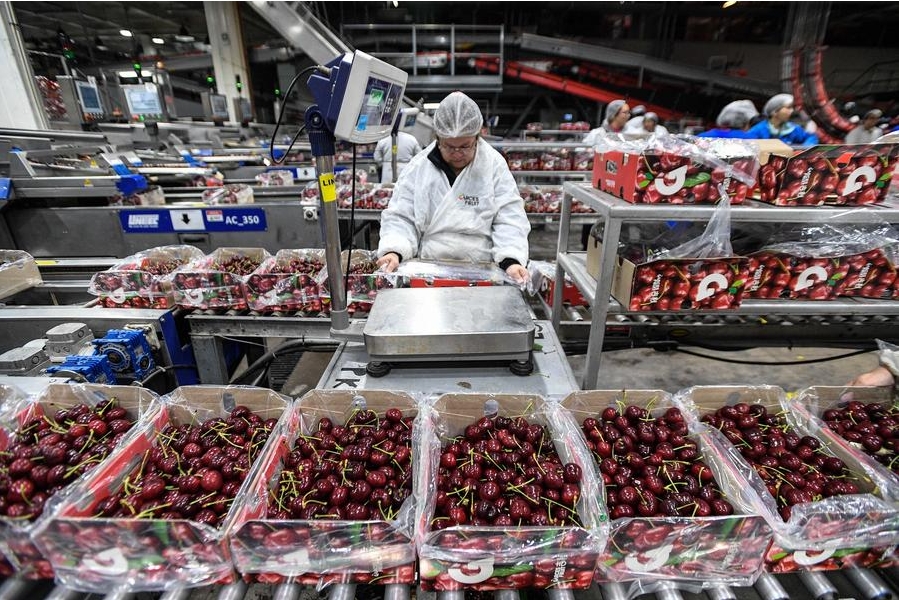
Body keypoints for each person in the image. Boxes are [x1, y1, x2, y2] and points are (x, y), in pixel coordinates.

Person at [375, 91, 530, 283]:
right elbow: (401, 216)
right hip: (428, 269)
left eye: (465, 146)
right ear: (437, 139)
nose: (457, 154)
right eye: (449, 146)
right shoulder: (419, 167)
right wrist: (394, 250)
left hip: (482, 270)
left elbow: (509, 217)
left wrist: (511, 260)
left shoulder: (493, 165)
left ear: (477, 137)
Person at [745, 93, 819, 146]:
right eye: (788, 108)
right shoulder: (758, 130)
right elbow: (747, 146)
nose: (792, 111)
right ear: (775, 112)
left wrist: (806, 147)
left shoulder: (793, 129)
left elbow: (811, 137)